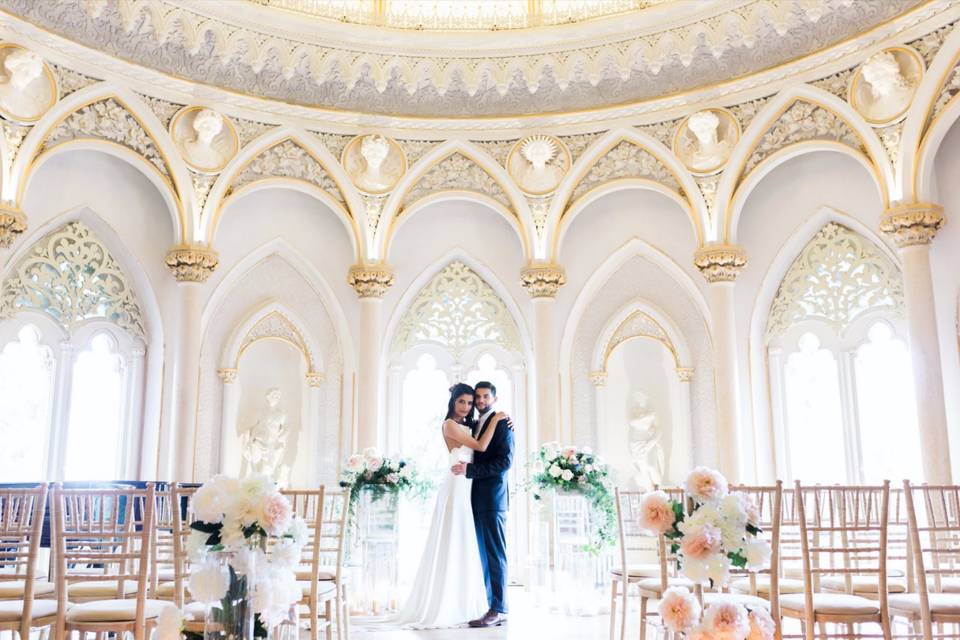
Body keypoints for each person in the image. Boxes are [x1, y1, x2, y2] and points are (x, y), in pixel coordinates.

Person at [381, 382, 512, 629]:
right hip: (458, 485)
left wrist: (499, 419)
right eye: (463, 401)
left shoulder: (476, 424)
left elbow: (502, 459)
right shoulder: (451, 425)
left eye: (471, 401)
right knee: (457, 541)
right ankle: (457, 603)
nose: (469, 405)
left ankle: (489, 606)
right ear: (452, 402)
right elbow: (481, 446)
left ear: (491, 399)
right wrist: (497, 418)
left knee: (478, 548)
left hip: (479, 492)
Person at [451, 380, 515, 628]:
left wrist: (470, 470)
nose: (480, 401)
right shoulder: (476, 424)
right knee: (486, 555)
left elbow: (504, 463)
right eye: (477, 397)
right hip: (477, 498)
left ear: (494, 399)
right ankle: (494, 606)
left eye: (485, 397)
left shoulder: (502, 424)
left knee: (495, 555)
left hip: (493, 498)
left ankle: (498, 609)